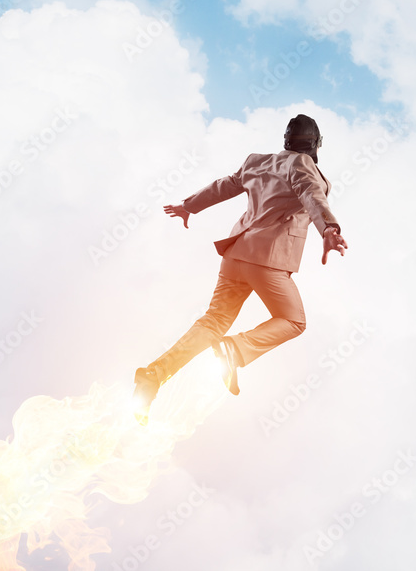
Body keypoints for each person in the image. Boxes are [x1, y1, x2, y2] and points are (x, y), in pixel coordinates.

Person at [132, 114, 348, 425]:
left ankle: (153, 376)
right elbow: (311, 195)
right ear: (316, 144)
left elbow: (226, 185)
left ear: (285, 140)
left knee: (213, 321)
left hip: (235, 254)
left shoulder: (256, 161)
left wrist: (189, 206)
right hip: (267, 260)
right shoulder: (301, 165)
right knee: (293, 320)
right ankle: (235, 349)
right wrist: (328, 228)